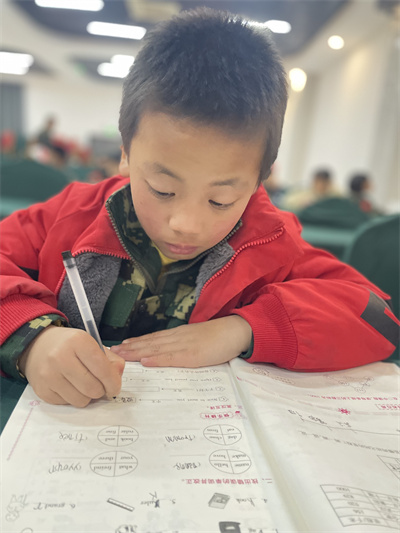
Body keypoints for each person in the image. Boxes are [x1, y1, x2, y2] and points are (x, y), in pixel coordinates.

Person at [0, 9, 398, 408]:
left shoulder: (271, 243)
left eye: (220, 200)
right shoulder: (70, 217)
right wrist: (32, 338)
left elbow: (378, 319)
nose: (186, 225)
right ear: (125, 155)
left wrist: (244, 329)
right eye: (162, 190)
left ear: (259, 181)